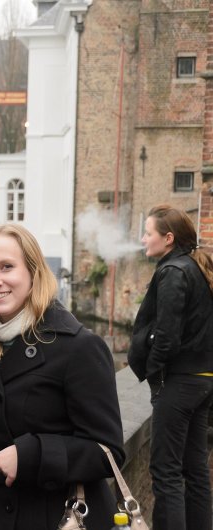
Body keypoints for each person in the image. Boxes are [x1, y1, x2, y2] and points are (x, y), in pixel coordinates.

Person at [0, 224, 124, 530]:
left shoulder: (78, 346)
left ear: (33, 272)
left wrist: (34, 454)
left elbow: (108, 453)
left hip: (59, 517)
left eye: (7, 267)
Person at [128, 204, 213, 530]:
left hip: (179, 383)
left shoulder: (173, 273)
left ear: (167, 238)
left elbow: (166, 336)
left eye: (147, 233)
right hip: (203, 380)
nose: (143, 239)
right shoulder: (196, 267)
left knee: (166, 472)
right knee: (195, 470)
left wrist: (154, 372)